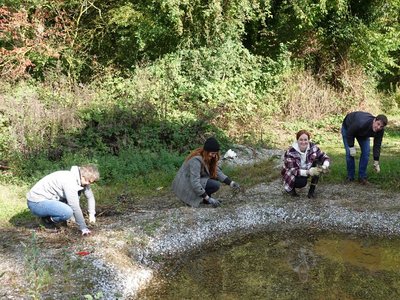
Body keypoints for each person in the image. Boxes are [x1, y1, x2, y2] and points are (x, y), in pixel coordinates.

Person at [26, 164, 99, 235]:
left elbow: (90, 197)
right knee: (67, 212)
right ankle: (47, 220)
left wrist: (92, 214)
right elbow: (75, 206)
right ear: (82, 176)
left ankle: (55, 217)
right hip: (36, 203)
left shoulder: (80, 178)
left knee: (72, 208)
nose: (88, 184)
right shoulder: (70, 182)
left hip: (50, 200)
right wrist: (83, 228)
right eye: (88, 181)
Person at [172, 137, 240, 207]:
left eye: (215, 153)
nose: (214, 156)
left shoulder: (208, 157)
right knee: (214, 184)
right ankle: (199, 199)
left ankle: (205, 199)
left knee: (213, 179)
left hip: (192, 182)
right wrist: (208, 199)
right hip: (185, 186)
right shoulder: (195, 160)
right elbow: (195, 182)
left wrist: (231, 183)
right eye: (212, 153)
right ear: (207, 151)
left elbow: (217, 172)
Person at [341, 111, 388, 184]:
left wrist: (376, 161)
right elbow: (350, 133)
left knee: (366, 152)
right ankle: (350, 177)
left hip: (363, 132)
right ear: (374, 120)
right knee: (349, 153)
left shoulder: (380, 131)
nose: (378, 127)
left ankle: (362, 177)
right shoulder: (361, 123)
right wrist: (351, 147)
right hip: (348, 128)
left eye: (381, 126)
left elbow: (377, 145)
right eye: (378, 124)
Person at [282, 130, 330, 198]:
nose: (303, 142)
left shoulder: (313, 147)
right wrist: (309, 172)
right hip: (294, 172)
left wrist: (324, 166)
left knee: (318, 165)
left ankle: (311, 192)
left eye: (305, 140)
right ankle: (291, 189)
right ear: (297, 140)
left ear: (308, 140)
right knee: (302, 182)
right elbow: (293, 170)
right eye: (301, 140)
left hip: (307, 168)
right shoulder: (290, 151)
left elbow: (324, 156)